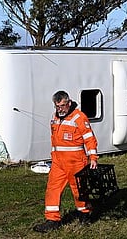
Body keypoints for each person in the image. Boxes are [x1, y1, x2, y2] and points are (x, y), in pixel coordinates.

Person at [33, 90, 98, 233]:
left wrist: (93, 157)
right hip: (58, 162)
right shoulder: (55, 117)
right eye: (57, 107)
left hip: (76, 162)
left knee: (79, 190)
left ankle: (84, 214)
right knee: (52, 189)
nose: (59, 109)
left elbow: (89, 138)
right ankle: (52, 220)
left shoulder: (79, 118)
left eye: (62, 106)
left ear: (69, 103)